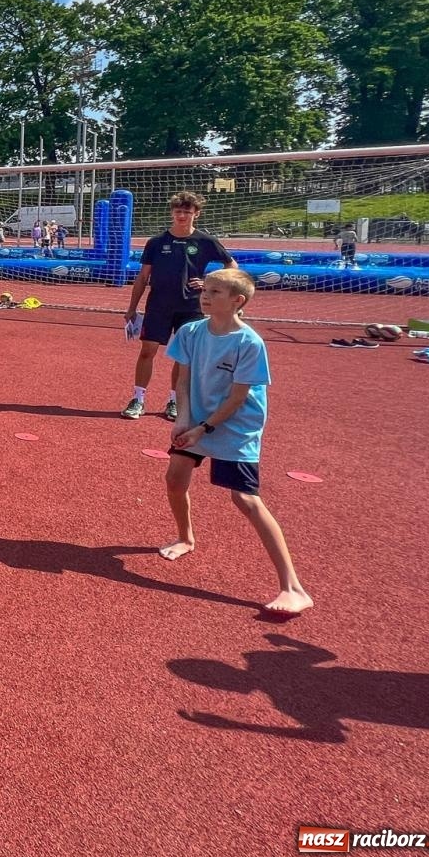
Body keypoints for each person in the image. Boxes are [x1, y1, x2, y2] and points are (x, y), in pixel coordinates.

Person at [159, 268, 312, 617]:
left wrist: (202, 429)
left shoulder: (249, 342)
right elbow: (182, 381)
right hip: (196, 418)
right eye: (205, 290)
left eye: (214, 291)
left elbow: (238, 398)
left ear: (237, 301)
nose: (205, 295)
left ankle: (293, 587)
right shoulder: (190, 332)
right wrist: (184, 420)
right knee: (175, 479)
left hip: (235, 426)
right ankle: (186, 538)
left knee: (245, 499)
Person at [122, 191, 235, 421]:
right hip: (158, 306)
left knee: (183, 357)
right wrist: (132, 308)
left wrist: (210, 282)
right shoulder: (156, 242)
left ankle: (174, 400)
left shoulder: (205, 241)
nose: (182, 215)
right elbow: (143, 277)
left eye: (187, 211)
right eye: (178, 211)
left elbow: (231, 264)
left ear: (197, 214)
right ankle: (138, 399)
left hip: (191, 307)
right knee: (147, 351)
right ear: (172, 213)